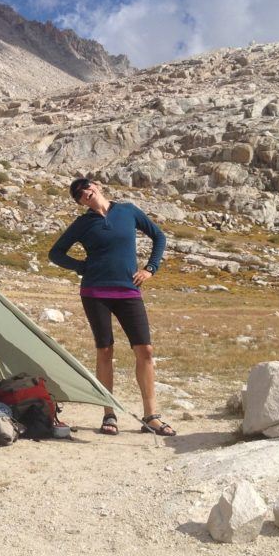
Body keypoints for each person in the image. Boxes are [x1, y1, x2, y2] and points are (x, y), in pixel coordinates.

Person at [48, 177, 175, 436]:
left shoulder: (128, 211)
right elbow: (56, 253)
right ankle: (109, 414)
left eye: (85, 186)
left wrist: (151, 269)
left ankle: (151, 416)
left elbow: (159, 236)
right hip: (95, 292)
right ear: (78, 201)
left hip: (128, 291)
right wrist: (83, 267)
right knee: (105, 350)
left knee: (146, 350)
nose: (83, 192)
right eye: (77, 194)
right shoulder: (83, 223)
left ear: (97, 185)